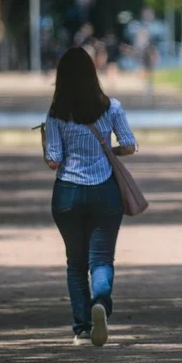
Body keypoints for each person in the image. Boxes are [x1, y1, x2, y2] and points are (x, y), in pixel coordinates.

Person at [42, 47, 138, 346]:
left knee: (75, 263)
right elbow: (130, 145)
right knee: (101, 259)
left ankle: (82, 328)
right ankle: (101, 302)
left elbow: (54, 159)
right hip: (104, 191)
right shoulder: (112, 108)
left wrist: (46, 146)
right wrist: (108, 151)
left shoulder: (56, 114)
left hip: (68, 192)